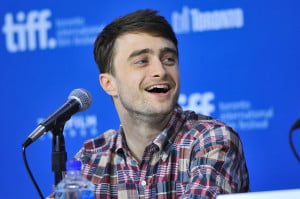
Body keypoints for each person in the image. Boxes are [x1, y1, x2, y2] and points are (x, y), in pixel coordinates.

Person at [52, 9, 250, 199]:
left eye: (169, 59)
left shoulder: (212, 140)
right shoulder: (90, 159)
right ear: (109, 84)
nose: (161, 71)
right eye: (142, 61)